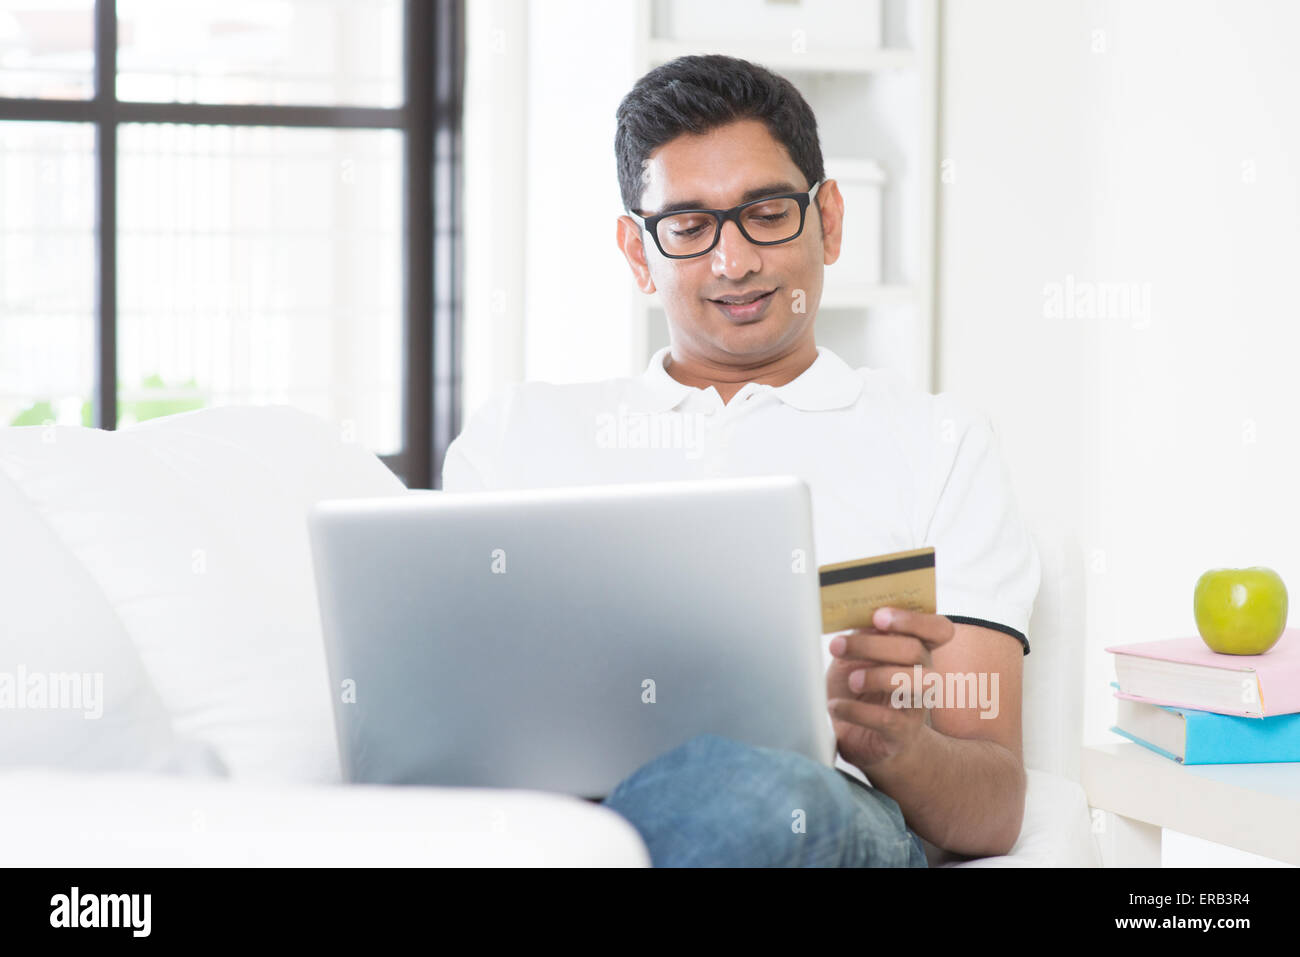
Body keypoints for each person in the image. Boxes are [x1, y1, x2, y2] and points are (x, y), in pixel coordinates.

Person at [442, 54, 1040, 867]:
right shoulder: (519, 433)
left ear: (829, 219)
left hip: (805, 807)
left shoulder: (940, 443)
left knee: (757, 795)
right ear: (635, 251)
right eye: (688, 227)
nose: (734, 262)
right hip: (554, 809)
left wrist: (894, 744)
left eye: (765, 214)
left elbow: (994, 805)